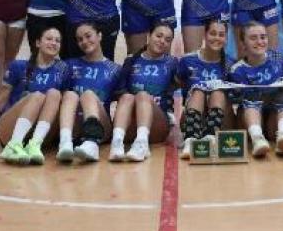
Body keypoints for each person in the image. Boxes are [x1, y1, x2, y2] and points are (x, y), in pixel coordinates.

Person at [0, 27, 68, 165]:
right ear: (38, 43)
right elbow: (0, 100)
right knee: (37, 96)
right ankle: (13, 145)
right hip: (9, 130)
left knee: (55, 94)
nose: (54, 43)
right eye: (49, 39)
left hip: (38, 134)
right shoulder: (18, 66)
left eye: (58, 40)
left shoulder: (62, 70)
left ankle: (34, 145)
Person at [228, 21, 283, 158]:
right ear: (243, 43)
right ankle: (258, 140)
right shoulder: (237, 70)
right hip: (251, 120)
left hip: (273, 119)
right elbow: (236, 103)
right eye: (253, 38)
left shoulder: (279, 56)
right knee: (250, 97)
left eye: (263, 37)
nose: (259, 41)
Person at [109, 22, 178, 162]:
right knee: (127, 97)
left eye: (167, 39)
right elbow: (119, 92)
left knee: (142, 95)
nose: (162, 41)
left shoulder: (172, 63)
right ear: (149, 36)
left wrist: (175, 125)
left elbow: (178, 90)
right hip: (130, 122)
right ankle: (116, 143)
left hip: (157, 122)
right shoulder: (131, 60)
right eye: (159, 36)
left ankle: (142, 144)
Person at [56, 22, 122, 163]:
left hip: (101, 127)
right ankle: (65, 142)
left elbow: (123, 103)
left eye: (88, 36)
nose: (84, 42)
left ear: (99, 36)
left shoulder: (115, 69)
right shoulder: (69, 65)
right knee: (70, 94)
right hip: (73, 125)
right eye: (80, 39)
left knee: (88, 94)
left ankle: (92, 142)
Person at [177, 18, 232, 159]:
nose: (217, 38)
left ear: (226, 38)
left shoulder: (231, 64)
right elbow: (175, 87)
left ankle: (211, 138)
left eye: (221, 35)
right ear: (204, 35)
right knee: (199, 90)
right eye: (213, 33)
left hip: (222, 121)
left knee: (217, 91)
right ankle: (191, 140)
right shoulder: (187, 61)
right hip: (193, 120)